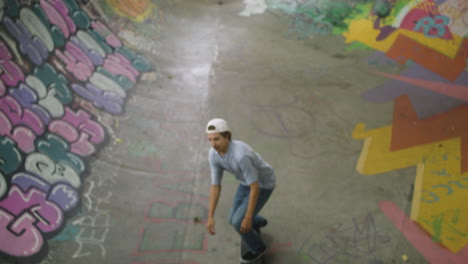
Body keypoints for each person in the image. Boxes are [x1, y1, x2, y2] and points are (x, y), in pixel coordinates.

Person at [205, 118, 276, 263]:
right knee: (233, 219)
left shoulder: (241, 155)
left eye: (217, 139)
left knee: (239, 222)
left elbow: (255, 188)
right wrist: (210, 216)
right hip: (245, 182)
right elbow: (215, 186)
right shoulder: (214, 154)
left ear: (227, 137)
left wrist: (248, 218)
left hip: (263, 184)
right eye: (210, 140)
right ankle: (258, 222)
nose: (213, 144)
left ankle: (258, 248)